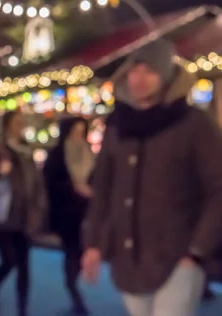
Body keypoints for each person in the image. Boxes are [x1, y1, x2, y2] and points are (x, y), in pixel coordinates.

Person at [82, 40, 222, 316]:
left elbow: (219, 187)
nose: (140, 79)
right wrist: (94, 243)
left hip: (177, 257)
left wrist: (196, 249)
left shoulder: (193, 123)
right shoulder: (118, 126)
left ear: (167, 75)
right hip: (129, 260)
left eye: (150, 71)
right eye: (135, 69)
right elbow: (104, 189)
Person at [0, 111, 48, 316]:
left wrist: (39, 206)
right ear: (7, 125)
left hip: (25, 215)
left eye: (23, 123)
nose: (21, 126)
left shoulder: (27, 150)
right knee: (9, 260)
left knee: (25, 266)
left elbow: (36, 182)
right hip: (4, 215)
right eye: (17, 123)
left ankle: (22, 309)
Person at [43, 117, 94, 315]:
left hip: (87, 210)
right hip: (67, 212)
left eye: (82, 132)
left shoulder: (88, 153)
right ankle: (74, 292)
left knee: (80, 251)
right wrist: (74, 188)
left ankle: (75, 288)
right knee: (72, 252)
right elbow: (50, 183)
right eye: (75, 132)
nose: (78, 136)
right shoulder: (57, 154)